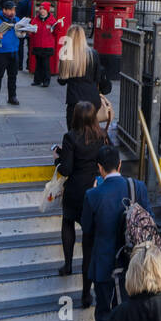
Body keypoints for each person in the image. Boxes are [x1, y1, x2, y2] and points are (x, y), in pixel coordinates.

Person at [81, 144, 153, 321]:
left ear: (100, 168)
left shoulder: (92, 195)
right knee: (131, 312)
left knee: (104, 313)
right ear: (120, 165)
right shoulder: (137, 187)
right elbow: (149, 221)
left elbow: (87, 228)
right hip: (134, 263)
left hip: (105, 265)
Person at [54, 100, 105, 298]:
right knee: (89, 243)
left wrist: (57, 159)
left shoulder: (70, 137)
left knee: (67, 223)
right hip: (93, 192)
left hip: (75, 191)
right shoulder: (102, 136)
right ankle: (86, 292)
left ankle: (68, 265)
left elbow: (66, 168)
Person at [57, 23, 111, 130]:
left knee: (74, 132)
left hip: (75, 100)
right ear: (83, 37)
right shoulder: (93, 54)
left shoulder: (66, 55)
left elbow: (62, 81)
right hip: (92, 99)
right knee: (91, 131)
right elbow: (97, 78)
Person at [0, 0, 22, 106]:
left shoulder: (17, 20)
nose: (13, 12)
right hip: (1, 52)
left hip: (14, 51)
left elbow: (21, 35)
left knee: (13, 76)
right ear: (4, 10)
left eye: (14, 10)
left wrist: (25, 31)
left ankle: (12, 97)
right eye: (10, 10)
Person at [29, 1, 62, 87]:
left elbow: (56, 33)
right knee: (38, 64)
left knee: (45, 64)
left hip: (47, 45)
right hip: (37, 44)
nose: (42, 11)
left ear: (47, 10)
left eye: (43, 9)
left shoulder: (52, 20)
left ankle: (46, 81)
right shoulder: (35, 19)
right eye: (40, 9)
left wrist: (57, 27)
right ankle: (37, 80)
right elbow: (31, 31)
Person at [15, 0, 35, 70]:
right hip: (31, 26)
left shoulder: (21, 2)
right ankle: (29, 64)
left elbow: (18, 15)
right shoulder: (35, 2)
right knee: (31, 46)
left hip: (22, 26)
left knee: (20, 46)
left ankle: (20, 65)